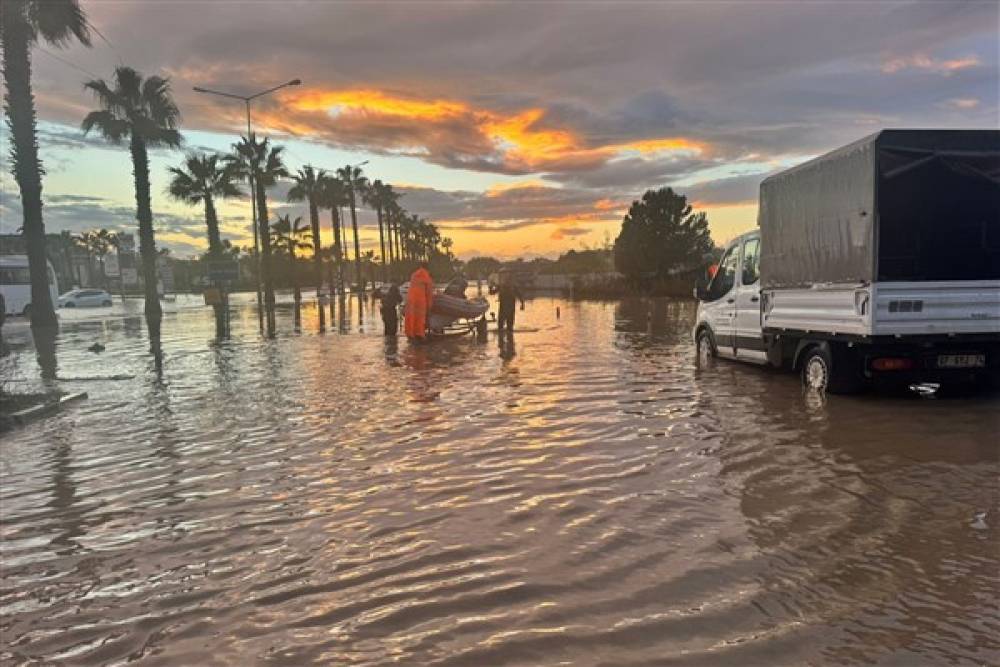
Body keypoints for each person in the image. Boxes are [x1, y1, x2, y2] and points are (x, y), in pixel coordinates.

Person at [404, 262, 434, 340]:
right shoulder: (427, 277)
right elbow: (429, 293)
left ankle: (410, 333)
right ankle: (419, 334)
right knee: (420, 317)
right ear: (428, 268)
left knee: (411, 316)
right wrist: (429, 306)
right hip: (420, 300)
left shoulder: (413, 275)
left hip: (410, 299)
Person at [496, 269, 524, 335]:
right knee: (501, 323)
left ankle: (509, 338)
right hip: (503, 306)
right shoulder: (501, 286)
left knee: (509, 323)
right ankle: (503, 338)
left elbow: (519, 295)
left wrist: (522, 304)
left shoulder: (513, 286)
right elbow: (492, 292)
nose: (506, 279)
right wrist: (491, 288)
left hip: (510, 306)